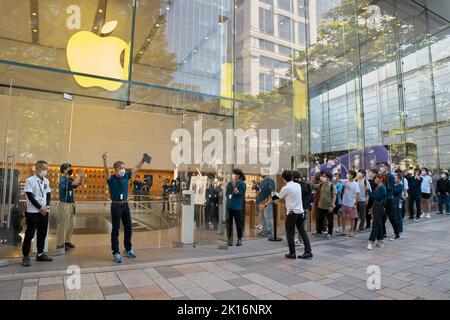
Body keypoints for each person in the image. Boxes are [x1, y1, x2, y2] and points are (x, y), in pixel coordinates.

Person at [102, 152, 148, 263]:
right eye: (121, 168)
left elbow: (137, 168)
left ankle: (128, 249)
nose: (123, 169)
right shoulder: (111, 178)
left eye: (123, 167)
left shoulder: (126, 176)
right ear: (116, 169)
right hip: (116, 206)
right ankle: (116, 252)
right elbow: (107, 171)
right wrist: (104, 161)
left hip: (125, 205)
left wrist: (143, 160)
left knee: (128, 227)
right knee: (115, 229)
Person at [262, 170, 312, 260]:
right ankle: (308, 252)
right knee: (303, 232)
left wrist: (265, 205)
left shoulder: (286, 188)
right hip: (300, 212)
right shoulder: (297, 185)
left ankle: (292, 253)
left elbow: (275, 197)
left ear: (283, 178)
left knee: (290, 233)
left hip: (292, 214)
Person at [21, 160, 53, 267]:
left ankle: (40, 254)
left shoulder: (46, 181)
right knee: (29, 235)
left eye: (46, 169)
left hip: (44, 212)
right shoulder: (30, 180)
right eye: (44, 169)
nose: (46, 171)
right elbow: (30, 196)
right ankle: (25, 256)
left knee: (42, 234)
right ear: (38, 169)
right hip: (33, 212)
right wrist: (40, 207)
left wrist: (46, 206)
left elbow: (48, 194)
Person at [55, 163, 85, 255]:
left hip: (71, 204)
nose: (71, 169)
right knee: (63, 225)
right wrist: (79, 175)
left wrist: (82, 175)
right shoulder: (62, 179)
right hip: (64, 204)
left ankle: (66, 241)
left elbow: (80, 183)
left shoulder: (70, 179)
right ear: (64, 170)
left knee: (71, 224)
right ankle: (60, 244)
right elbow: (75, 183)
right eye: (69, 168)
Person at [366, 174, 388, 250]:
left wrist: (368, 190)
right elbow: (375, 198)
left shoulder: (382, 188)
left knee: (375, 224)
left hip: (379, 208)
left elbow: (374, 197)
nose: (375, 179)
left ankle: (370, 241)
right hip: (377, 207)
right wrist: (372, 207)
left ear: (381, 179)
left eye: (377, 178)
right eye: (375, 178)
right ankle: (380, 241)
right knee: (378, 224)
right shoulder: (379, 187)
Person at [380, 162, 400, 240]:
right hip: (382, 199)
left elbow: (391, 188)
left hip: (388, 199)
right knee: (382, 217)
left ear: (387, 167)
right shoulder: (381, 175)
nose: (381, 168)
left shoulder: (390, 176)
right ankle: (383, 233)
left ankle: (396, 233)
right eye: (380, 166)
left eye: (382, 166)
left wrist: (382, 187)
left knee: (391, 217)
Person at [226, 169, 246, 246]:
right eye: (233, 174)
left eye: (234, 174)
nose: (233, 176)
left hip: (237, 207)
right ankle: (229, 239)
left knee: (238, 224)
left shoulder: (242, 184)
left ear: (238, 175)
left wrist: (234, 185)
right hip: (230, 206)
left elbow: (239, 194)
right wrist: (228, 200)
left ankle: (239, 239)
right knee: (229, 223)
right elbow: (227, 193)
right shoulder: (230, 183)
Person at [315, 171, 337, 239]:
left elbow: (334, 196)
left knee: (330, 220)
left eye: (324, 176)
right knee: (319, 219)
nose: (322, 177)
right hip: (320, 205)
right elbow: (312, 185)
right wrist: (314, 178)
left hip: (329, 206)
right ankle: (319, 231)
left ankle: (329, 233)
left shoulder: (332, 186)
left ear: (328, 177)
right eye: (322, 176)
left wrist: (332, 206)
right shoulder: (321, 184)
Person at [293, 171, 312, 246]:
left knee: (302, 224)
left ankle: (300, 240)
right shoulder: (300, 184)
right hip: (301, 206)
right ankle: (302, 241)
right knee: (301, 224)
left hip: (303, 206)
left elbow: (304, 194)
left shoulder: (302, 185)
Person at [341, 170, 360, 237]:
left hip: (351, 203)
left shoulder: (356, 184)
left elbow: (357, 194)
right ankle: (343, 231)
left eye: (349, 174)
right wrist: (338, 171)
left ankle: (351, 231)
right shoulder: (346, 181)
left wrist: (355, 203)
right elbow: (338, 180)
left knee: (352, 218)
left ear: (352, 175)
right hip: (344, 202)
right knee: (343, 217)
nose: (348, 175)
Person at [256, 173, 276, 238]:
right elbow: (260, 192)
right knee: (262, 218)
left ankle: (269, 232)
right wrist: (258, 201)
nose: (260, 174)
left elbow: (273, 194)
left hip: (267, 203)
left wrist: (267, 201)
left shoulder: (270, 181)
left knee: (268, 217)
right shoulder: (262, 182)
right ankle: (264, 230)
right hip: (261, 203)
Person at [333, 171, 345, 235]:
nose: (334, 177)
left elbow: (341, 193)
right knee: (332, 215)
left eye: (336, 176)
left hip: (338, 202)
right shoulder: (333, 184)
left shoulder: (340, 185)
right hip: (332, 202)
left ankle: (339, 227)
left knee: (339, 215)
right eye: (334, 176)